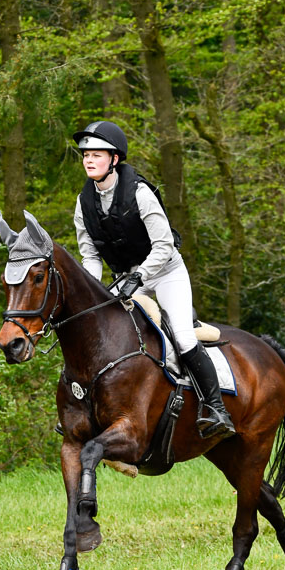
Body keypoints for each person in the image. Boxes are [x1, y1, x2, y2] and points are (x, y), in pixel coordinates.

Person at [73, 120, 235, 439]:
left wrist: (141, 276)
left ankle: (216, 408)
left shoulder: (140, 193)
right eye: (85, 154)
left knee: (184, 339)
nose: (89, 160)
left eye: (97, 154)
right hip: (126, 278)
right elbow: (90, 255)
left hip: (164, 272)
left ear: (115, 159)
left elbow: (164, 245)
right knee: (100, 333)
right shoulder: (83, 203)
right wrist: (91, 295)